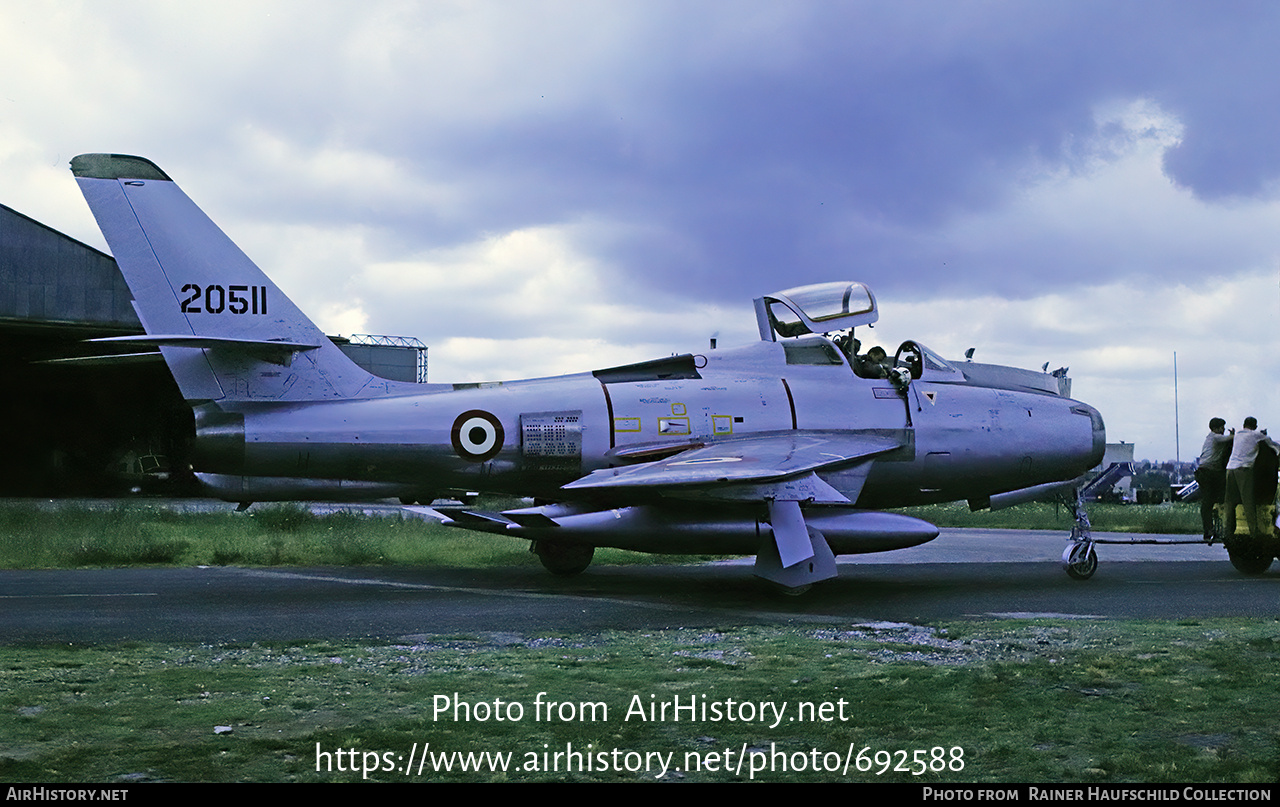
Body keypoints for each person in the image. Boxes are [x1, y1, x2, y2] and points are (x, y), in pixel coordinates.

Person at [1223, 417, 1280, 540]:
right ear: (1254, 426)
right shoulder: (1255, 435)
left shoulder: (1238, 434)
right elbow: (1271, 443)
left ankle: (1226, 532)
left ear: (1244, 425)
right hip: (1243, 469)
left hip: (1230, 469)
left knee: (1229, 502)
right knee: (1248, 501)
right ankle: (1254, 533)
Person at [1194, 418, 1232, 542]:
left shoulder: (1213, 438)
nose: (1223, 430)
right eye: (1222, 427)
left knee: (1217, 499)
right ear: (1216, 428)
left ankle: (1214, 528)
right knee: (1208, 500)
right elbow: (1228, 439)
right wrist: (1233, 435)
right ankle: (1208, 529)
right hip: (1207, 472)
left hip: (1212, 472)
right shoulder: (1214, 437)